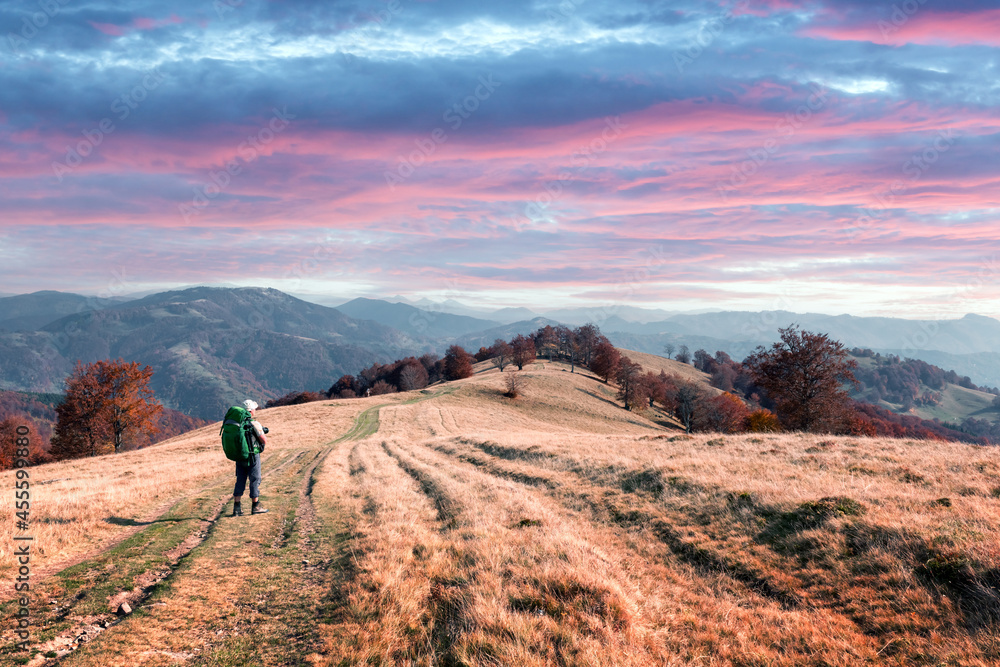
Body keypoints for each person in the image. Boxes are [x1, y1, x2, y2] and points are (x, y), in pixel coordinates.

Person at [232, 399, 268, 516]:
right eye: (254, 409)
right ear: (251, 411)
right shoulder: (254, 423)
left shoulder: (237, 424)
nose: (255, 411)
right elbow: (264, 440)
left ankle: (237, 508)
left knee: (240, 480)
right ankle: (255, 506)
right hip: (252, 455)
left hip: (240, 456)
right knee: (255, 479)